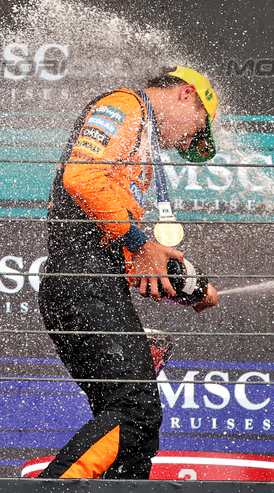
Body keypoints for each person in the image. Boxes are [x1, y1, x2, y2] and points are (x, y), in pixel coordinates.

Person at [38, 67, 221, 479]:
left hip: (91, 281)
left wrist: (186, 286)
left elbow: (125, 247)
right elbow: (81, 176)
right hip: (82, 281)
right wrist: (143, 244)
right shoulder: (125, 105)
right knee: (135, 408)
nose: (187, 143)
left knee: (136, 432)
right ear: (186, 96)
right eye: (197, 131)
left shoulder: (141, 146)